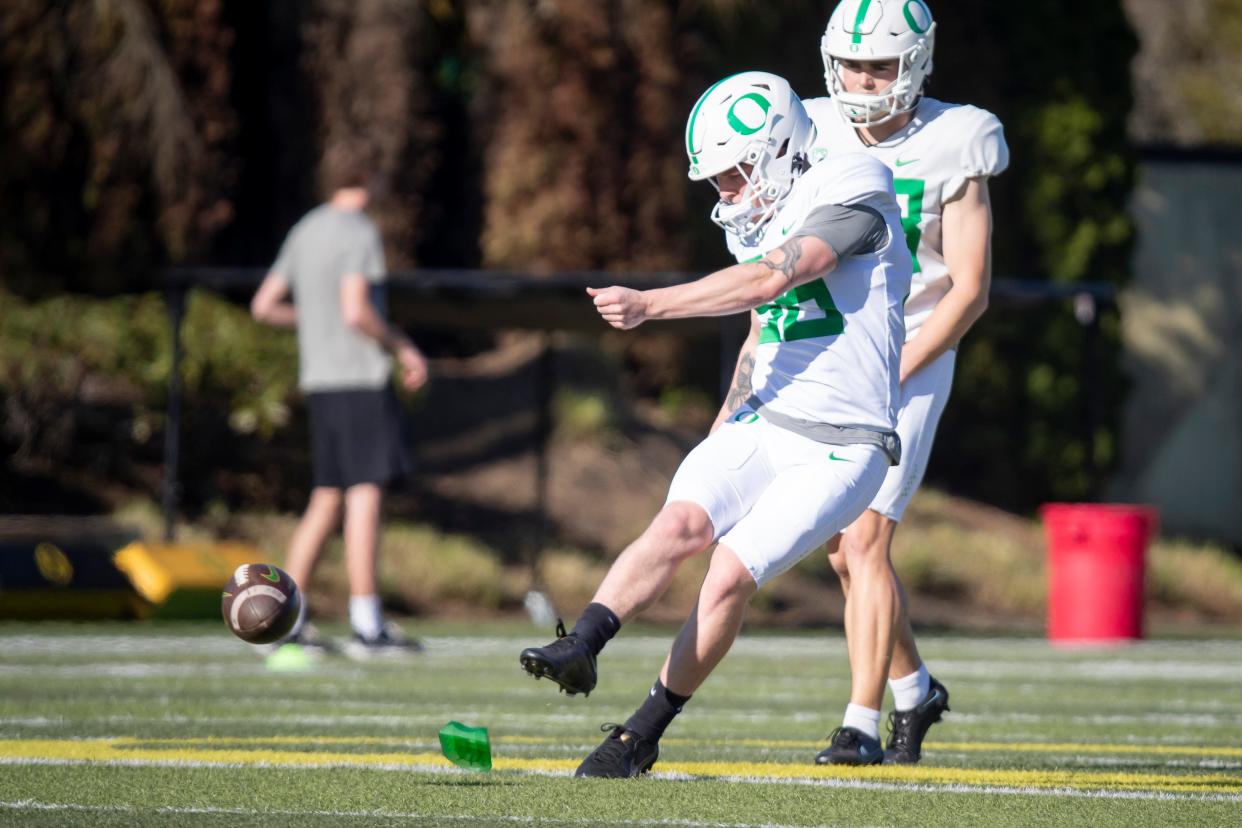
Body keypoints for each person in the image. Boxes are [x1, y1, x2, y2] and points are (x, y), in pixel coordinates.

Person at [518, 71, 912, 777]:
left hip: (845, 445)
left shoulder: (857, 185)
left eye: (733, 175)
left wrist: (650, 305)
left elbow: (773, 279)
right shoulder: (764, 212)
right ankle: (581, 644)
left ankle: (641, 736)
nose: (726, 193)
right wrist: (726, 421)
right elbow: (765, 327)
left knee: (728, 574)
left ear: (779, 151)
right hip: (767, 418)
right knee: (679, 525)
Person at [769, 0, 1008, 764]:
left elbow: (967, 288)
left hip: (915, 352)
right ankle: (916, 690)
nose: (862, 79)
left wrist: (893, 366)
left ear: (917, 61)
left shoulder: (959, 137)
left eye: (879, 63)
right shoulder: (807, 126)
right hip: (832, 350)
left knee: (866, 538)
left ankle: (860, 724)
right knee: (842, 550)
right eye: (852, 62)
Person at [250, 142, 428, 660]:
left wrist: (315, 318)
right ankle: (366, 623)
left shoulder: (305, 228)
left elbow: (265, 306)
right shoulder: (359, 232)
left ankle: (282, 620)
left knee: (327, 496)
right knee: (364, 494)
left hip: (321, 382)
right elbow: (356, 311)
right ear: (368, 174)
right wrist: (403, 345)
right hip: (358, 378)